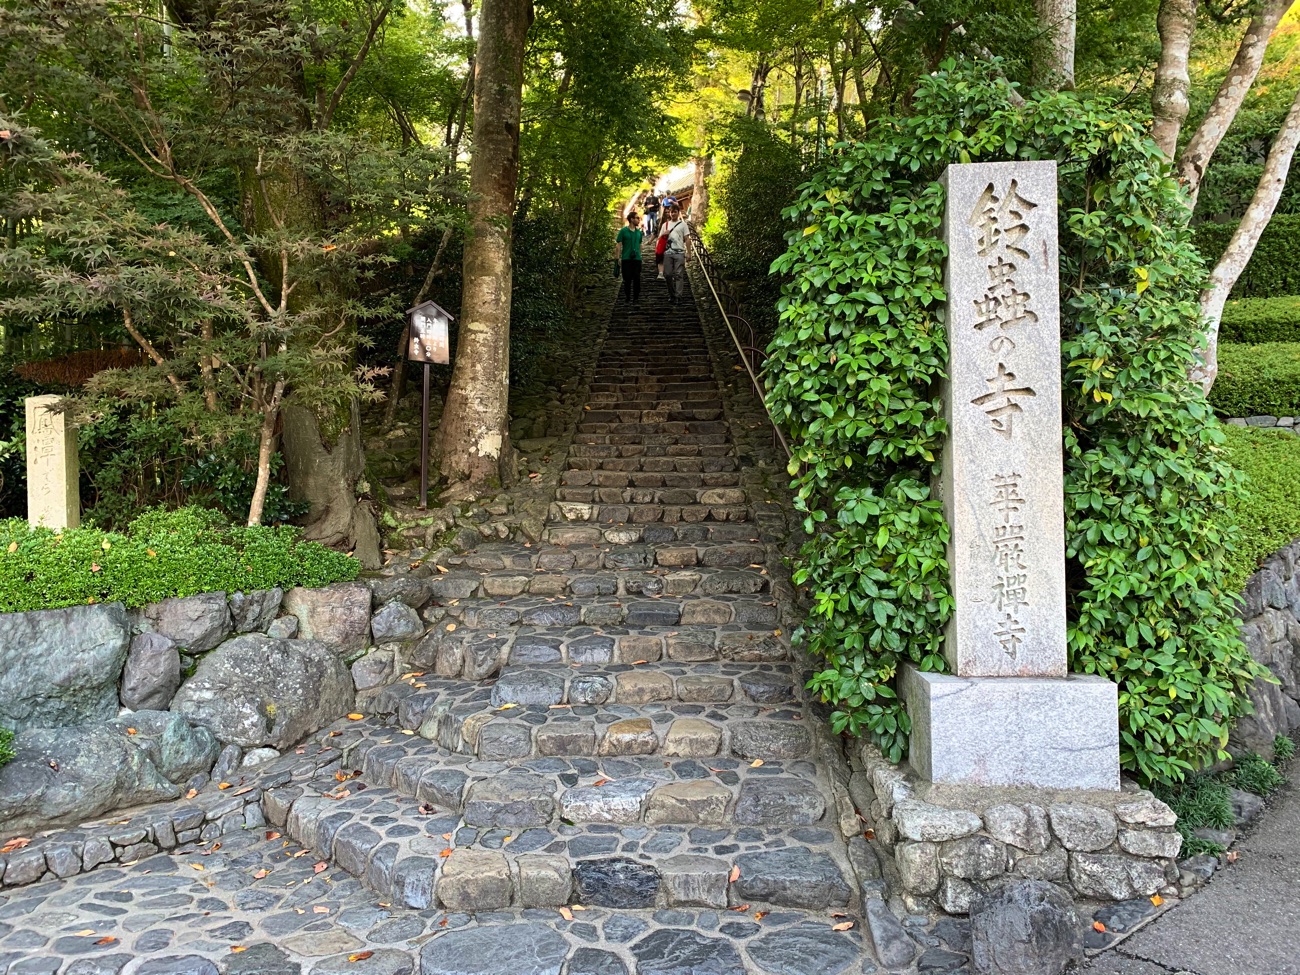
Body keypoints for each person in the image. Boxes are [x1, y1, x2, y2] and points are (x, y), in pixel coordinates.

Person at [660, 204, 690, 304]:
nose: (673, 214)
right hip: (668, 253)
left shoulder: (683, 224)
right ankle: (672, 294)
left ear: (678, 212)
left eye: (675, 212)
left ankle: (678, 296)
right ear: (669, 213)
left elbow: (687, 239)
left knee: (679, 275)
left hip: (679, 252)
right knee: (667, 274)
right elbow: (660, 238)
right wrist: (665, 234)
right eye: (671, 212)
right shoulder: (665, 225)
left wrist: (689, 253)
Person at [615, 211, 644, 303]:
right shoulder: (623, 231)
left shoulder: (639, 232)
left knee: (637, 278)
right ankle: (627, 296)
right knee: (627, 279)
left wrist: (640, 254)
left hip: (637, 259)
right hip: (626, 259)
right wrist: (617, 258)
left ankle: (636, 297)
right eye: (637, 218)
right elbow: (618, 244)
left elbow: (640, 244)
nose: (639, 220)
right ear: (631, 219)